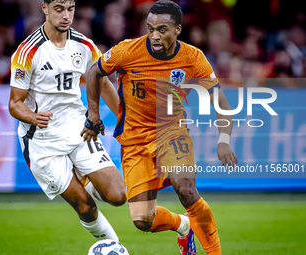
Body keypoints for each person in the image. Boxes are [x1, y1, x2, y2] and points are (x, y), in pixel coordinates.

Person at [82, 1, 238, 254]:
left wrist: (223, 140)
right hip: (134, 141)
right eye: (150, 28)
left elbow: (221, 103)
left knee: (186, 189)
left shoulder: (193, 58)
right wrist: (93, 115)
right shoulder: (127, 51)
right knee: (143, 220)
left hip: (172, 131)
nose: (154, 36)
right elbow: (93, 72)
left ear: (177, 29)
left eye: (162, 29)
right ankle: (184, 227)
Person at [8, 0, 126, 243]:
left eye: (70, 9)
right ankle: (116, 249)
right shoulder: (27, 51)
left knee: (118, 195)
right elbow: (14, 103)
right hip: (42, 140)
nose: (66, 15)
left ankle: (82, 175)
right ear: (45, 8)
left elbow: (102, 83)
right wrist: (32, 116)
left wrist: (126, 120)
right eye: (59, 8)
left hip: (78, 129)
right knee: (86, 207)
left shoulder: (84, 45)